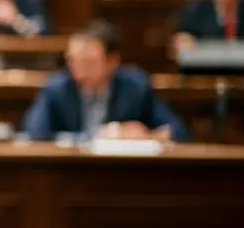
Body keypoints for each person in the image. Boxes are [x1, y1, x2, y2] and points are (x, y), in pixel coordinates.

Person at [23, 20, 187, 142]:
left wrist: (148, 136)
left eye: (88, 62)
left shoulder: (135, 87)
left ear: (112, 61)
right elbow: (34, 132)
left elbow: (178, 131)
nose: (78, 69)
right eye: (72, 60)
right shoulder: (58, 87)